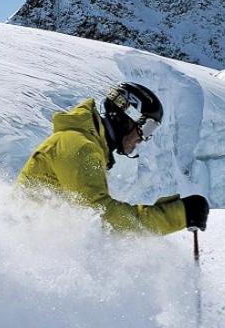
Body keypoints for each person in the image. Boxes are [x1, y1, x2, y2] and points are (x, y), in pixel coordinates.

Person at [16, 82, 210, 234]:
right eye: (147, 127)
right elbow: (101, 219)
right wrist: (178, 214)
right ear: (127, 115)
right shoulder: (79, 147)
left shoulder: (84, 144)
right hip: (31, 248)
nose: (143, 138)